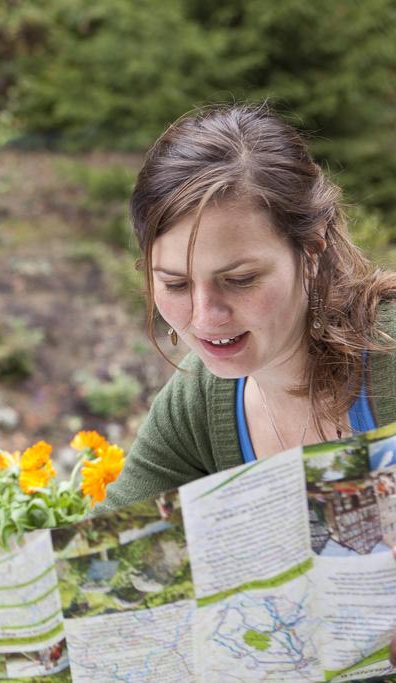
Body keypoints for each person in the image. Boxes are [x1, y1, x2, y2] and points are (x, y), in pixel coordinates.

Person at [95, 104, 396, 667]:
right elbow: (107, 571)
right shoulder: (196, 404)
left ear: (312, 249)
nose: (206, 317)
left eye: (240, 280)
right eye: (176, 284)